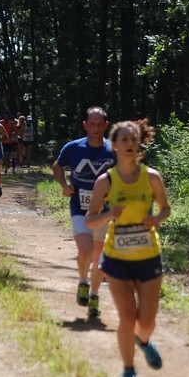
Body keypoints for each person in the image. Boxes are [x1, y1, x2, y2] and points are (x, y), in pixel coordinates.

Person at [85, 119, 171, 377]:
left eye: (133, 139)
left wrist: (157, 218)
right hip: (117, 257)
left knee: (146, 320)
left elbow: (166, 208)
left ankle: (143, 340)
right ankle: (128, 368)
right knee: (127, 317)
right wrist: (109, 214)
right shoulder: (105, 181)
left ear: (139, 143)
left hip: (148, 256)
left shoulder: (152, 177)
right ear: (114, 145)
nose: (129, 144)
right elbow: (90, 220)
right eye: (124, 139)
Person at [52, 106, 115, 317]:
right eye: (92, 124)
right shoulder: (73, 147)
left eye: (100, 125)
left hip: (104, 211)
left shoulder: (113, 150)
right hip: (79, 206)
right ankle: (82, 281)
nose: (95, 129)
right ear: (85, 125)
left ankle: (94, 295)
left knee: (99, 257)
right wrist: (64, 185)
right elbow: (57, 166)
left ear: (106, 126)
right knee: (86, 250)